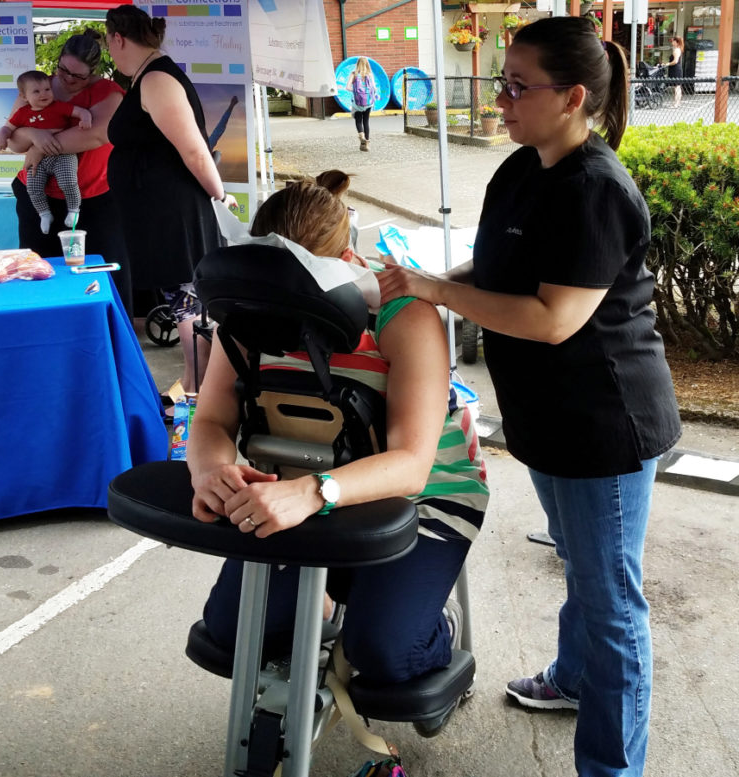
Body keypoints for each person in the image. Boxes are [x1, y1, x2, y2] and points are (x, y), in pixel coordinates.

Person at [377, 17, 681, 777]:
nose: (501, 99)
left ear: (574, 97)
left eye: (517, 85)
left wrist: (436, 290)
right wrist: (415, 277)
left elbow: (552, 319)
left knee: (612, 602)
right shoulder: (520, 170)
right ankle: (574, 678)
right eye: (499, 81)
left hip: (603, 427)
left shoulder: (597, 192)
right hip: (545, 418)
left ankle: (612, 766)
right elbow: (495, 273)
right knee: (584, 561)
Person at [187, 173, 489, 688]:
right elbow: (212, 420)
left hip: (419, 498)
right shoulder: (247, 311)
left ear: (347, 266)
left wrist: (313, 492)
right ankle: (324, 602)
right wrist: (211, 470)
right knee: (235, 636)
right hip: (293, 488)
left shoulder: (403, 315)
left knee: (384, 657)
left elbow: (413, 466)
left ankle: (433, 624)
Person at [105, 5, 236, 397]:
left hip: (177, 214)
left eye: (109, 46)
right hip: (164, 214)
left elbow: (195, 151)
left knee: (188, 303)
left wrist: (221, 196)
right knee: (183, 302)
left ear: (117, 38)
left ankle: (200, 390)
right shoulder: (148, 75)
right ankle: (197, 384)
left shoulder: (157, 80)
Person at [4, 31, 133, 316]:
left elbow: (97, 135)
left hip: (92, 196)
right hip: (37, 193)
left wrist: (40, 147)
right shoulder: (37, 86)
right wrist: (32, 134)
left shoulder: (107, 92)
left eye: (79, 75)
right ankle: (41, 321)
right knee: (39, 265)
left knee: (102, 264)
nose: (69, 79)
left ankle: (111, 327)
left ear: (94, 72)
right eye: (63, 70)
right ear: (58, 59)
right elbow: (14, 141)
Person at [0, 70, 92, 235]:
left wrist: (85, 118)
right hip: (38, 160)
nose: (44, 94)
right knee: (33, 186)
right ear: (24, 96)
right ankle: (44, 214)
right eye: (36, 91)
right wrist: (2, 136)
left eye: (47, 89)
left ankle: (73, 209)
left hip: (62, 153)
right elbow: (8, 128)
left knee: (68, 181)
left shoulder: (58, 106)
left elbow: (80, 111)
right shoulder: (22, 113)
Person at [346, 57, 376, 152]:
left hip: (357, 103)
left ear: (357, 64)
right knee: (366, 121)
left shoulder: (354, 74)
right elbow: (374, 88)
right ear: (367, 64)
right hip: (368, 103)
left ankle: (361, 136)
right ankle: (366, 143)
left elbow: (347, 87)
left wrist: (356, 91)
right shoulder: (370, 74)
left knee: (358, 121)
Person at [665, 36, 684, 108]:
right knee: (677, 86)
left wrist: (668, 64)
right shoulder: (678, 49)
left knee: (677, 87)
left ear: (677, 42)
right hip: (676, 69)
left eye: (673, 41)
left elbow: (675, 61)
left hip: (675, 69)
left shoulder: (676, 50)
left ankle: (676, 103)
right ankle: (677, 103)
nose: (672, 42)